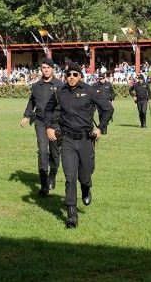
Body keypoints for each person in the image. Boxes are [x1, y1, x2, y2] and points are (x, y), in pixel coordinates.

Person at [44, 62, 114, 228]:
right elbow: (47, 110)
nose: (71, 78)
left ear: (80, 76)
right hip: (67, 140)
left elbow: (107, 109)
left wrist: (100, 128)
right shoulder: (59, 92)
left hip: (85, 140)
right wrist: (49, 128)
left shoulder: (90, 91)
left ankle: (86, 188)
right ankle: (71, 213)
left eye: (75, 75)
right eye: (69, 75)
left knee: (85, 174)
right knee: (70, 176)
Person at [20, 57, 62, 195]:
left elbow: (64, 106)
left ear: (52, 69)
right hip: (40, 122)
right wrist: (27, 115)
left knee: (55, 155)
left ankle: (52, 176)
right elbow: (32, 101)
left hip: (56, 123)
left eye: (48, 67)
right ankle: (44, 184)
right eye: (43, 68)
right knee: (43, 151)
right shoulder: (36, 86)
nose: (46, 70)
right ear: (41, 69)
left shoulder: (60, 86)